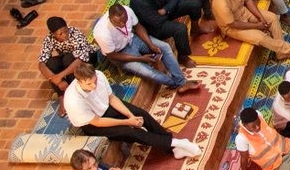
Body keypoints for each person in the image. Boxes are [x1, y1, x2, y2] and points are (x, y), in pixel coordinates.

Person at [64, 62, 201, 158]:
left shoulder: (98, 75)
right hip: (94, 123)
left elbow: (112, 98)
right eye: (89, 84)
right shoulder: (73, 100)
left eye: (95, 81)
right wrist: (127, 122)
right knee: (132, 132)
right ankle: (177, 143)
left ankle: (171, 148)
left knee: (141, 114)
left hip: (106, 106)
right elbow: (98, 122)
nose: (94, 86)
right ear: (79, 81)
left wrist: (131, 116)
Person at [92, 4, 196, 92]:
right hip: (119, 53)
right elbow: (113, 56)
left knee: (165, 47)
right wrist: (141, 59)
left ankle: (181, 81)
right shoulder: (102, 33)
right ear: (110, 19)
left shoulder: (127, 10)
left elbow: (137, 27)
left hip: (133, 39)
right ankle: (178, 84)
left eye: (125, 21)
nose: (123, 24)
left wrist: (150, 44)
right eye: (119, 23)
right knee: (147, 71)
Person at [211, 0, 290, 59]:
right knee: (260, 37)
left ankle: (280, 53)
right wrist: (257, 26)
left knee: (272, 17)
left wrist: (261, 18)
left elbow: (248, 1)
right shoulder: (221, 3)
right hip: (232, 27)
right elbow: (233, 24)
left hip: (243, 12)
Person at [129, 0, 210, 65]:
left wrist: (166, 9)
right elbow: (156, 22)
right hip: (154, 26)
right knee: (180, 29)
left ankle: (195, 28)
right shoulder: (140, 1)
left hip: (165, 10)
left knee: (195, 4)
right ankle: (182, 57)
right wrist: (167, 10)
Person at [37, 16, 97, 98]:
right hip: (67, 60)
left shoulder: (76, 34)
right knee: (51, 64)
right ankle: (62, 94)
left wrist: (60, 76)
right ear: (53, 34)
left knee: (67, 59)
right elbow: (41, 64)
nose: (64, 35)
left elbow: (81, 59)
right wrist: (58, 81)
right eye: (60, 34)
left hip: (86, 58)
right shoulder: (49, 39)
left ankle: (75, 89)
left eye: (66, 31)